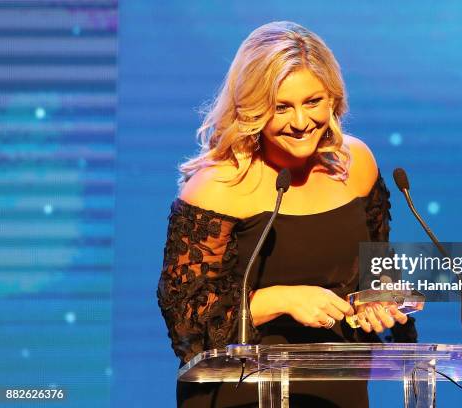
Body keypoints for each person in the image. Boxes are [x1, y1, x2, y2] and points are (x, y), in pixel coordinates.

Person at [157, 21, 417, 408]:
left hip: (335, 385)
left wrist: (378, 302)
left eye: (312, 102)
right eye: (282, 107)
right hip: (239, 391)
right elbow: (186, 317)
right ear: (253, 108)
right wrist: (279, 299)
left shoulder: (356, 163)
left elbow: (375, 268)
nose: (300, 122)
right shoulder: (219, 184)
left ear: (333, 99)